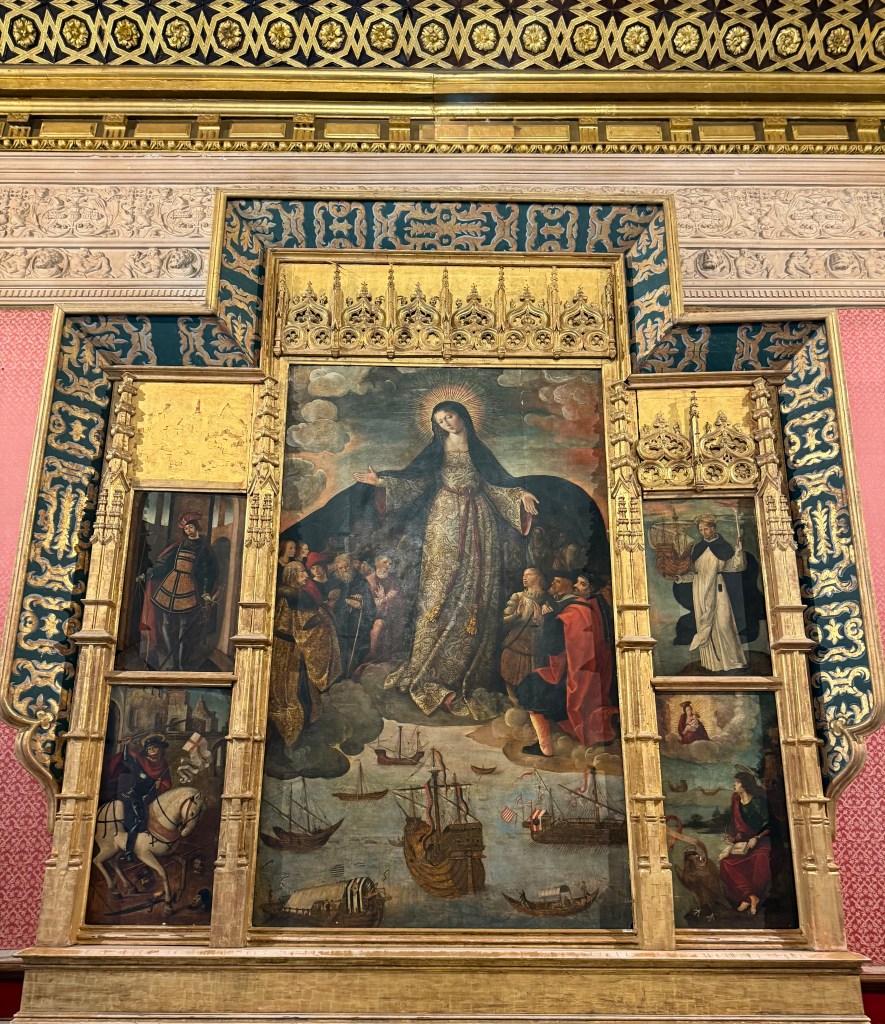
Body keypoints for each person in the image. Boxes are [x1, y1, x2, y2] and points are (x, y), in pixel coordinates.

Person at [354, 401, 538, 718]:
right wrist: (383, 481)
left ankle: (471, 676)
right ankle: (429, 671)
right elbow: (414, 479)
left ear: (462, 415)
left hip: (480, 521)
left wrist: (520, 494)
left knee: (477, 588)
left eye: (449, 416)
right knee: (439, 588)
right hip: (445, 518)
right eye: (440, 420)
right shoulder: (436, 452)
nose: (446, 423)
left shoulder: (479, 451)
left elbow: (497, 484)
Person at [515, 570, 617, 755]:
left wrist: (548, 620)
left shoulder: (574, 612)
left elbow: (551, 647)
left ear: (569, 586)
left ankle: (545, 747)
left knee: (530, 687)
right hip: (584, 676)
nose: (553, 583)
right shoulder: (590, 607)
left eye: (558, 580)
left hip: (573, 681)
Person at [270, 559, 342, 745]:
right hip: (286, 649)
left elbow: (311, 616)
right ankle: (292, 732)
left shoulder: (298, 593)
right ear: (292, 575)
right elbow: (307, 621)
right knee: (289, 691)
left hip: (296, 647)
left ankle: (308, 725)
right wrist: (326, 609)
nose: (306, 575)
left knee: (304, 689)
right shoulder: (291, 594)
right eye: (302, 572)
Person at [140, 512, 218, 671]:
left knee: (184, 624)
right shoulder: (179, 545)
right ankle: (173, 660)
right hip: (170, 584)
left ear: (197, 527)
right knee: (167, 622)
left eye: (191, 527)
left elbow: (208, 572)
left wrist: (205, 592)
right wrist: (148, 573)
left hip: (189, 587)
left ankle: (181, 664)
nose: (188, 530)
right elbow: (164, 563)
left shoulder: (204, 548)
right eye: (186, 528)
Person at [674, 515, 748, 673]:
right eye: (701, 530)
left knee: (724, 623)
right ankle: (712, 663)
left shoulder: (723, 547)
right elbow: (695, 572)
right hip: (699, 589)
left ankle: (732, 661)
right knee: (704, 623)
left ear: (713, 528)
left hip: (717, 587)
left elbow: (736, 566)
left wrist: (739, 550)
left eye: (706, 529)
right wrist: (680, 578)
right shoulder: (698, 548)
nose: (703, 532)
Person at [718, 771, 776, 915]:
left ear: (745, 785)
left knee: (761, 858)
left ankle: (750, 897)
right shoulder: (736, 800)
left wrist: (756, 838)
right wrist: (731, 840)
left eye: (737, 781)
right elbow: (735, 825)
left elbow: (769, 825)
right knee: (726, 862)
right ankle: (750, 896)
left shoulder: (757, 803)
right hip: (742, 843)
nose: (734, 784)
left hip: (761, 842)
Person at [107, 735, 173, 853]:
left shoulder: (163, 764)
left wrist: (161, 784)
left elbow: (167, 782)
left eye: (155, 747)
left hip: (152, 796)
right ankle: (129, 852)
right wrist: (126, 746)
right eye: (149, 748)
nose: (152, 750)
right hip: (134, 796)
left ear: (160, 749)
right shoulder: (140, 761)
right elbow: (126, 760)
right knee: (138, 822)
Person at [500, 567, 548, 702]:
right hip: (516, 645)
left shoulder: (548, 599)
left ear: (539, 577)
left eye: (529, 575)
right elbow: (502, 621)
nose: (524, 578)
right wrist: (517, 615)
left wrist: (544, 618)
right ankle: (514, 701)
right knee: (511, 676)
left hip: (538, 649)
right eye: (523, 575)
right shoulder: (518, 597)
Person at [328, 553, 376, 676]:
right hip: (339, 620)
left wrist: (361, 599)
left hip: (357, 621)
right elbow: (331, 601)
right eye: (341, 568)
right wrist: (347, 601)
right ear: (337, 569)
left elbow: (368, 601)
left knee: (359, 645)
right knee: (341, 646)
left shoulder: (360, 580)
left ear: (351, 566)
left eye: (347, 567)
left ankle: (355, 672)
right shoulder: (333, 581)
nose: (344, 570)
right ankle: (341, 674)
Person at [366, 554, 406, 662]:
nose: (388, 565)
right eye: (385, 562)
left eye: (390, 563)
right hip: (372, 614)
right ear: (376, 563)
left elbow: (400, 599)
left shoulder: (394, 581)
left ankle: (379, 654)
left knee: (385, 624)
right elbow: (368, 601)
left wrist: (384, 599)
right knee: (375, 624)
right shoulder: (369, 580)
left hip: (391, 614)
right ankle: (372, 652)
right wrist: (385, 598)